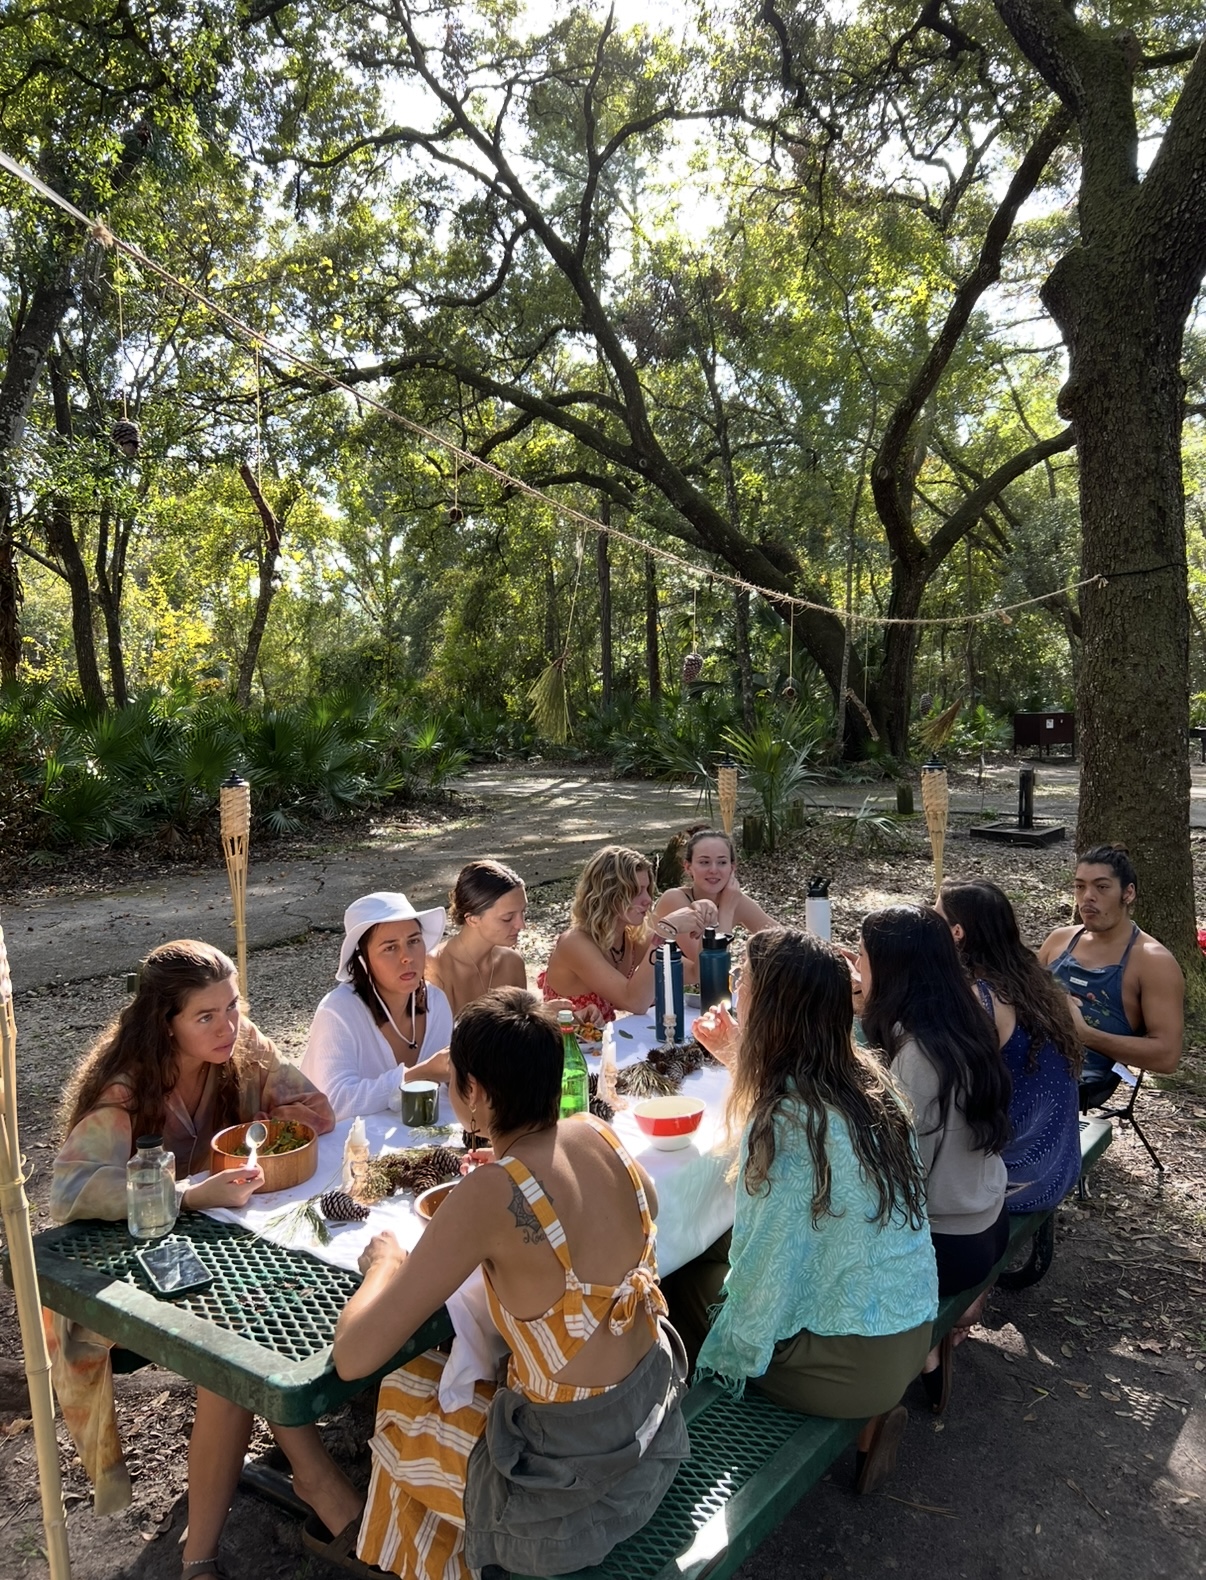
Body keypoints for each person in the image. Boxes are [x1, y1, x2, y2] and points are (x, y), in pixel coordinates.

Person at [324, 987, 689, 1580]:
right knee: (479, 1374)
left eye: (453, 1081)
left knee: (400, 1391)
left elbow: (353, 1355)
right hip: (649, 1432)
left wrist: (385, 1266)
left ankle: (437, 1563)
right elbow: (645, 1202)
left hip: (562, 1500)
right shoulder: (599, 1134)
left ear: (478, 1095)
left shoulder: (493, 1192)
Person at [49, 940, 355, 1580]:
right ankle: (319, 1485)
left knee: (257, 1316)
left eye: (233, 1007)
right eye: (206, 1016)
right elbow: (72, 1191)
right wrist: (187, 1190)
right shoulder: (126, 1089)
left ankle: (205, 1555)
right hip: (133, 1258)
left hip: (226, 1242)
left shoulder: (242, 1052)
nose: (228, 1027)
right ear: (167, 1023)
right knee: (235, 1338)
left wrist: (268, 1124)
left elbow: (319, 1110)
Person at [665, 929, 937, 1494]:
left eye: (743, 985)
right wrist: (741, 1056)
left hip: (852, 1367)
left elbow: (762, 1282)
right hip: (910, 1328)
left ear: (772, 1011)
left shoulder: (786, 1124)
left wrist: (731, 1357)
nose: (735, 994)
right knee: (717, 1243)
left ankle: (690, 1446)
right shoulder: (869, 1083)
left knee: (679, 1276)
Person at [858, 905, 1011, 1412]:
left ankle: (903, 1367)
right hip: (987, 1222)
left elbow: (893, 1183)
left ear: (892, 969)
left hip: (946, 1245)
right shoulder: (963, 1021)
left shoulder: (917, 1059)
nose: (857, 967)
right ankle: (923, 1352)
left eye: (863, 956)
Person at [938, 879, 1082, 1213]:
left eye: (936, 918)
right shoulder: (1035, 982)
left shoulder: (982, 1000)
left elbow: (945, 1091)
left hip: (1017, 1181)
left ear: (956, 933)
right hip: (1060, 1165)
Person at [1038, 844, 1184, 1108]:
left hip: (1078, 1081)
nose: (1087, 897)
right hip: (1023, 1053)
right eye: (1080, 886)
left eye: (1101, 887)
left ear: (1128, 893)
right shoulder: (1060, 940)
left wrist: (1086, 1034)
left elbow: (1167, 1057)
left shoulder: (1152, 961)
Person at [301, 892, 454, 1118]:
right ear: (363, 960)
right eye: (390, 947)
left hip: (425, 1142)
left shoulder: (437, 1002)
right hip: (350, 1147)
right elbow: (334, 1101)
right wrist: (416, 1076)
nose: (407, 957)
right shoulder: (338, 1011)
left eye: (413, 941)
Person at [539, 844, 717, 1022]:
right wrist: (665, 931)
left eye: (647, 889)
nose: (647, 900)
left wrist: (706, 922)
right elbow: (635, 1003)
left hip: (602, 1043)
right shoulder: (575, 943)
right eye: (635, 891)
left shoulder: (632, 936)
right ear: (607, 894)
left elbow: (695, 974)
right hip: (565, 1045)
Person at [427, 859, 529, 1016]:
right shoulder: (434, 968)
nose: (521, 925)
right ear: (472, 919)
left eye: (523, 912)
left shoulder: (512, 963)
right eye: (507, 918)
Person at [654, 828, 776, 936]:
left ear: (732, 868)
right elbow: (707, 960)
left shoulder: (733, 899)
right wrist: (727, 910)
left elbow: (786, 942)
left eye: (722, 862)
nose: (713, 870)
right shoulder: (674, 898)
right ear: (688, 867)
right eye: (704, 862)